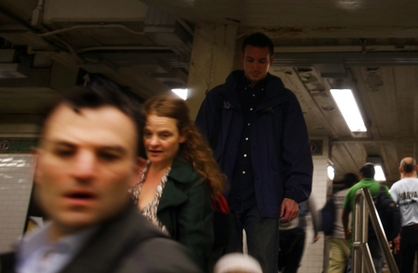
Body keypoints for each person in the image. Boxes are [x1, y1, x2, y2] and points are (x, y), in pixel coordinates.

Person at [4, 83, 199, 272]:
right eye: (65, 152)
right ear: (37, 165)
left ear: (136, 173)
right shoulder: (22, 257)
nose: (83, 171)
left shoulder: (160, 266)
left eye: (108, 156)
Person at [196, 33, 313, 273]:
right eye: (250, 60)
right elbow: (199, 146)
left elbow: (298, 149)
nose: (255, 67)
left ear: (271, 60)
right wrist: (199, 188)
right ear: (242, 58)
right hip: (223, 196)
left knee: (264, 264)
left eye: (262, 61)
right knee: (225, 265)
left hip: (265, 198)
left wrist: (294, 193)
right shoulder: (218, 98)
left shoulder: (284, 101)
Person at [132, 95, 224, 271]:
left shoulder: (193, 183)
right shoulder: (132, 169)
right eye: (148, 133)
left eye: (164, 135)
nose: (153, 142)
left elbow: (194, 251)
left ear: (182, 135)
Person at [388, 157, 418, 273]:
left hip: (406, 232)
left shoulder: (396, 187)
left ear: (401, 169)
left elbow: (392, 212)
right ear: (416, 168)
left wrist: (394, 235)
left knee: (406, 267)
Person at [342, 163, 392, 272]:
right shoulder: (383, 189)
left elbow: (344, 214)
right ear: (374, 175)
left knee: (354, 264)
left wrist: (346, 230)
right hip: (377, 235)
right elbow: (391, 210)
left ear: (361, 175)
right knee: (376, 265)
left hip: (357, 235)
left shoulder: (353, 190)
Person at [278, 198, 320, 273]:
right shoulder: (305, 192)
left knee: (278, 265)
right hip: (297, 232)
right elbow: (314, 212)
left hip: (278, 232)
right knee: (292, 266)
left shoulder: (278, 190)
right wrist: (316, 231)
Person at [329, 173, 359, 273]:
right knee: (356, 266)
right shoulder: (356, 195)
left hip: (336, 236)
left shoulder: (336, 196)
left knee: (336, 266)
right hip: (350, 236)